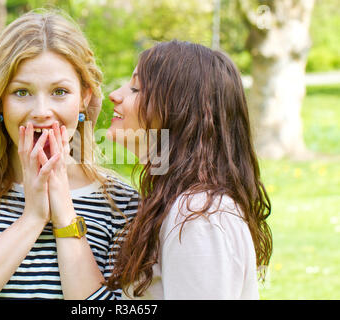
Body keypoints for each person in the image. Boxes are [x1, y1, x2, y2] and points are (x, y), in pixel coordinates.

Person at [0, 10, 138, 300]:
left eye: (59, 91)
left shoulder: (122, 204)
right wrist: (32, 217)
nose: (41, 111)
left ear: (84, 96)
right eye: (21, 92)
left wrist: (63, 211)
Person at [105, 40, 273, 299]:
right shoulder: (182, 205)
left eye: (136, 88)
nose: (115, 94)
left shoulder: (198, 215)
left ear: (178, 111)